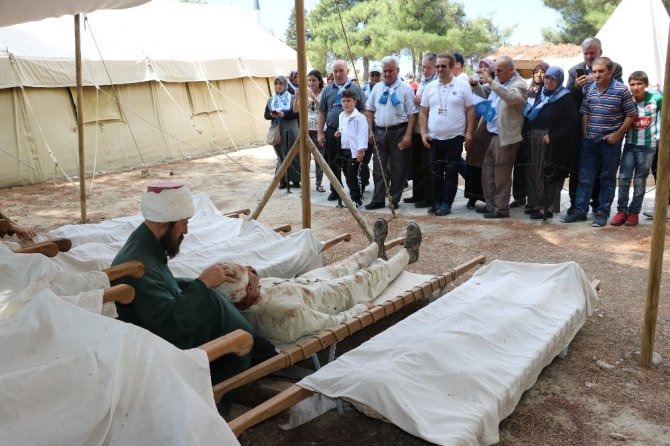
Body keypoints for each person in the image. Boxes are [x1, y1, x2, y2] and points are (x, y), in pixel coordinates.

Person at [111, 182, 275, 411]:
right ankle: (243, 370)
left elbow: (166, 288)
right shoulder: (138, 264)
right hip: (163, 346)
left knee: (208, 297)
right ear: (163, 225)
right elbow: (169, 327)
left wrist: (199, 283)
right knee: (214, 306)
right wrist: (202, 284)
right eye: (183, 224)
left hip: (162, 331)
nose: (186, 231)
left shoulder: (146, 246)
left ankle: (256, 358)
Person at [218, 219, 422, 344]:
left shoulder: (249, 293)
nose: (251, 268)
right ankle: (408, 254)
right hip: (326, 300)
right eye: (247, 272)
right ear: (250, 291)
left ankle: (376, 248)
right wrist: (358, 310)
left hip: (305, 284)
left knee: (345, 264)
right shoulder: (286, 316)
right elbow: (327, 323)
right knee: (369, 278)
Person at [562, 57, 636, 227]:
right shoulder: (589, 88)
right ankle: (580, 211)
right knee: (585, 177)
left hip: (610, 143)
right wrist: (585, 133)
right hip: (590, 142)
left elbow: (631, 115)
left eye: (601, 71)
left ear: (610, 72)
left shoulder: (621, 90)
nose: (596, 74)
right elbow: (585, 111)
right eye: (594, 71)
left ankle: (602, 212)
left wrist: (617, 135)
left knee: (607, 178)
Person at [566, 37, 624, 214]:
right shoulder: (573, 70)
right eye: (586, 53)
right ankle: (576, 204)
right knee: (579, 169)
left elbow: (620, 95)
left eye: (592, 53)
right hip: (582, 128)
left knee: (605, 171)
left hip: (608, 127)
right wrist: (576, 86)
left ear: (600, 52)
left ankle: (599, 204)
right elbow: (568, 98)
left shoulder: (614, 67)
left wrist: (597, 80)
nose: (589, 57)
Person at [419, 52, 475, 216]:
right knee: (435, 171)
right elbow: (423, 112)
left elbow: (471, 110)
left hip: (454, 138)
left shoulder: (462, 86)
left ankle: (446, 203)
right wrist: (423, 133)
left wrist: (469, 132)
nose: (439, 69)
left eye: (443, 66)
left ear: (452, 67)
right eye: (437, 66)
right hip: (433, 138)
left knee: (451, 171)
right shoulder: (430, 87)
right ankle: (436, 202)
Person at [523, 66, 579, 219]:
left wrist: (553, 136)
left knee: (547, 173)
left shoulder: (564, 97)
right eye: (547, 77)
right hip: (534, 139)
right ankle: (535, 203)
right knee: (533, 171)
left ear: (559, 80)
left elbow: (572, 120)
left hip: (552, 142)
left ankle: (545, 206)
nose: (548, 81)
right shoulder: (539, 93)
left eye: (552, 78)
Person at [365, 56, 418, 210]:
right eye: (385, 71)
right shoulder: (377, 88)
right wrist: (370, 130)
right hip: (379, 132)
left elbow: (412, 114)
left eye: (390, 71)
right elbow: (369, 109)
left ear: (397, 71)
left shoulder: (406, 89)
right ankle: (378, 199)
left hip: (399, 132)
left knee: (398, 168)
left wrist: (408, 135)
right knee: (378, 168)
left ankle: (394, 199)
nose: (387, 74)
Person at [477, 56, 528, 219]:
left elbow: (511, 98)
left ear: (511, 70)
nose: (496, 73)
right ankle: (491, 205)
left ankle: (501, 209)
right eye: (496, 70)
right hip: (493, 135)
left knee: (501, 175)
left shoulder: (519, 84)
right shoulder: (500, 82)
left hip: (505, 137)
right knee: (488, 172)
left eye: (499, 70)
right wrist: (475, 85)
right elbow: (485, 92)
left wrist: (491, 82)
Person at [610, 71, 663, 227]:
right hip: (629, 146)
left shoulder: (656, 99)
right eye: (632, 84)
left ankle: (633, 213)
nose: (636, 87)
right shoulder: (627, 101)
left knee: (640, 181)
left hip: (648, 147)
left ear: (646, 85)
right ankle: (622, 211)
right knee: (624, 178)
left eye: (639, 84)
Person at [318, 60, 365, 202]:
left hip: (352, 135)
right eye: (335, 71)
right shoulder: (327, 90)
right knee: (332, 162)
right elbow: (322, 112)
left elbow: (364, 110)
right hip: (333, 132)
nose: (338, 74)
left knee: (350, 165)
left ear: (347, 71)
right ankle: (336, 190)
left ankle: (354, 193)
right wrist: (320, 132)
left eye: (341, 71)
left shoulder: (356, 89)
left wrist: (368, 132)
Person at [511, 61, 550, 210]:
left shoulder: (548, 91)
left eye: (542, 72)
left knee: (533, 167)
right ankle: (519, 197)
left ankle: (534, 200)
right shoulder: (528, 89)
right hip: (523, 131)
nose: (539, 75)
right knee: (519, 166)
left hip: (538, 132)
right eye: (536, 72)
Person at [405, 52, 438, 209]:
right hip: (418, 129)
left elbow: (430, 103)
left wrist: (419, 99)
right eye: (423, 67)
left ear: (435, 67)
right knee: (416, 163)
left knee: (427, 164)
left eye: (428, 67)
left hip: (429, 130)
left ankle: (428, 197)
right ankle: (417, 194)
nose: (425, 70)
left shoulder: (437, 82)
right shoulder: (424, 81)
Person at [464, 57, 495, 210]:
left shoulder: (493, 85)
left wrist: (480, 83)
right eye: (480, 66)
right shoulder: (471, 85)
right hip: (473, 125)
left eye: (486, 66)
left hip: (486, 127)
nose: (482, 69)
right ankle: (471, 197)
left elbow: (485, 95)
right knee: (471, 163)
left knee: (485, 165)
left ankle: (486, 197)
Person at [264, 75, 301, 188]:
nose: (278, 86)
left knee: (293, 153)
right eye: (276, 84)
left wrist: (284, 114)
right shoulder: (271, 99)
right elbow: (266, 115)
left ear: (285, 85)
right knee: (280, 154)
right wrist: (272, 114)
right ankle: (282, 179)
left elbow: (296, 113)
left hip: (290, 128)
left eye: (281, 84)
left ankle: (295, 179)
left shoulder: (292, 97)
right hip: (277, 129)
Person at [335, 89, 369, 208]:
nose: (346, 103)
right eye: (343, 101)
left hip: (355, 151)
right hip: (344, 149)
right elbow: (342, 129)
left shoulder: (360, 117)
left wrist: (361, 150)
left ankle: (357, 199)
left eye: (348, 101)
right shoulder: (341, 116)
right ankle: (352, 196)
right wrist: (338, 132)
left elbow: (362, 134)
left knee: (353, 175)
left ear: (354, 102)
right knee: (347, 175)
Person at [294, 69, 326, 193]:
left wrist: (313, 97)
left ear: (319, 81)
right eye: (309, 80)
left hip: (319, 130)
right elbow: (295, 110)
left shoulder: (324, 93)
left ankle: (319, 184)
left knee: (319, 159)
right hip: (306, 131)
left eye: (313, 80)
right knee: (305, 160)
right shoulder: (303, 93)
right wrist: (296, 97)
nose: (311, 83)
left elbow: (324, 109)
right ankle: (306, 186)